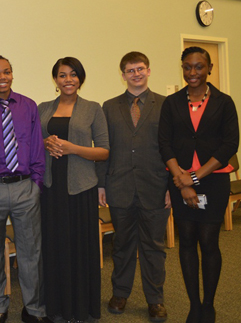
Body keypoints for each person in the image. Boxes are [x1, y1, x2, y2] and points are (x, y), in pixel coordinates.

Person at [159, 46, 239, 323]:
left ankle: (209, 303)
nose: (192, 72)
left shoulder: (224, 102)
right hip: (179, 179)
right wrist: (182, 182)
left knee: (209, 242)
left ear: (209, 69)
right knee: (187, 241)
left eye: (198, 67)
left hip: (213, 180)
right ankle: (194, 304)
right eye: (187, 67)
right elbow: (164, 143)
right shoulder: (171, 103)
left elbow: (230, 144)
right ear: (182, 68)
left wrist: (194, 178)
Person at [0, 55, 47, 323]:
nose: (2, 77)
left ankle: (34, 309)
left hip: (25, 187)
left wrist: (36, 183)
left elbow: (36, 146)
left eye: (7, 72)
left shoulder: (28, 106)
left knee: (31, 252)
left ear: (12, 74)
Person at [96, 52, 170, 322]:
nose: (136, 74)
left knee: (154, 247)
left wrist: (171, 186)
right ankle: (120, 293)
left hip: (155, 187)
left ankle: (155, 299)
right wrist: (101, 184)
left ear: (148, 71)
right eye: (130, 70)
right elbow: (104, 148)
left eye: (140, 69)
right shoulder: (109, 106)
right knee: (122, 245)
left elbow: (172, 148)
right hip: (119, 186)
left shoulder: (165, 105)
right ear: (123, 74)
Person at [38, 57, 109, 322]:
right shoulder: (43, 108)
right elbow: (33, 143)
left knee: (80, 248)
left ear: (81, 78)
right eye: (62, 75)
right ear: (55, 80)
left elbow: (103, 151)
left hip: (81, 189)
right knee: (54, 246)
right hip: (50, 189)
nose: (68, 79)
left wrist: (72, 148)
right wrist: (45, 142)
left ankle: (81, 308)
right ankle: (55, 307)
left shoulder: (93, 109)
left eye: (73, 75)